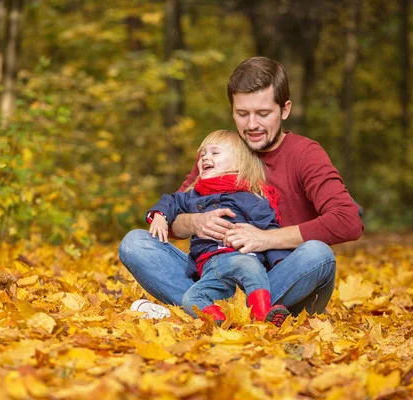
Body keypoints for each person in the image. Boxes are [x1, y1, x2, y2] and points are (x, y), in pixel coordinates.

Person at [119, 56, 363, 319]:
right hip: (217, 275)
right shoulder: (219, 154)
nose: (252, 125)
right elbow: (173, 221)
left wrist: (264, 238)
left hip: (283, 280)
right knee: (135, 243)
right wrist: (195, 222)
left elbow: (347, 221)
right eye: (242, 114)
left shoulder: (305, 154)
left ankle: (204, 310)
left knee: (318, 254)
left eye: (263, 113)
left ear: (285, 110)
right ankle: (214, 309)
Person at [147, 129, 291, 325]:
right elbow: (171, 201)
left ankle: (262, 314)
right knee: (191, 299)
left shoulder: (251, 198)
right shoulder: (194, 195)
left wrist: (280, 263)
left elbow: (270, 231)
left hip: (244, 260)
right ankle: (222, 323)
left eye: (215, 152)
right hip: (209, 269)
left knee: (249, 266)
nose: (205, 157)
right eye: (203, 154)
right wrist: (160, 216)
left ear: (240, 163)